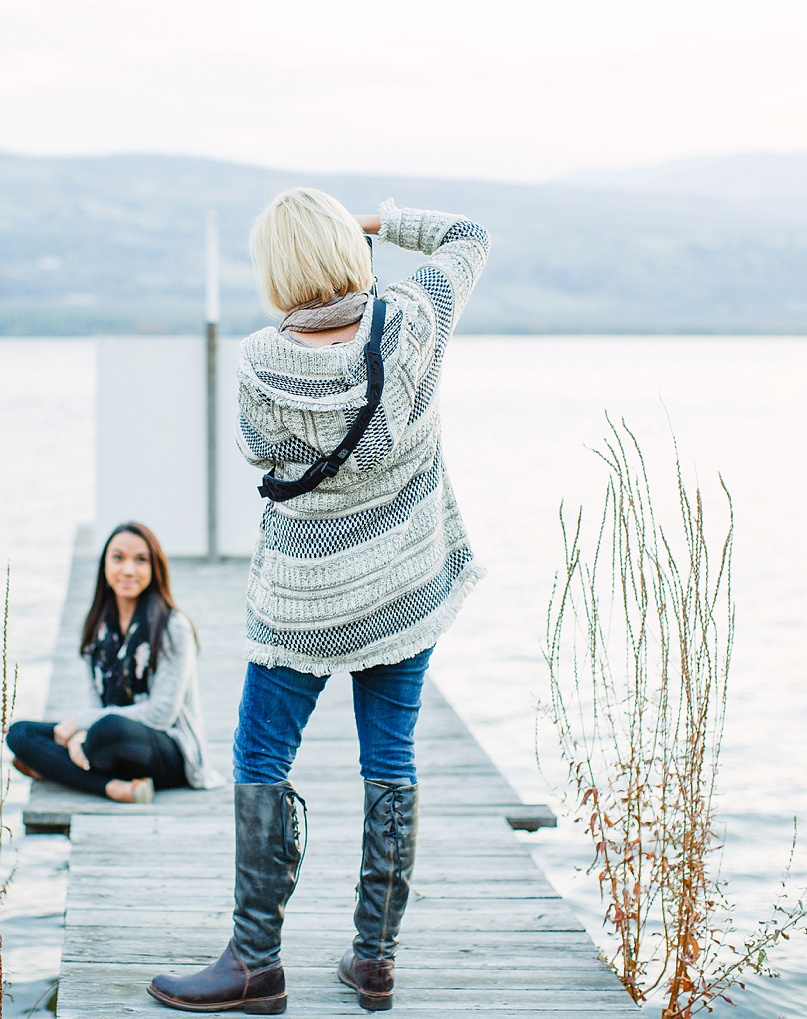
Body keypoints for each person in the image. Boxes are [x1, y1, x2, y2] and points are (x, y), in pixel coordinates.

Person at [147, 189, 489, 1014]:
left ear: (276, 269)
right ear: (344, 245)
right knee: (391, 760)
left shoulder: (263, 359)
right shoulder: (413, 318)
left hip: (302, 602)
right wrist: (380, 224)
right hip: (403, 590)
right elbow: (468, 235)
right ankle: (375, 958)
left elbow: (261, 452)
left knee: (262, 757)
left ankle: (256, 962)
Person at [7, 522, 220, 804]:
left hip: (167, 751)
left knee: (107, 730)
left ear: (155, 568)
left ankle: (60, 768)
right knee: (19, 733)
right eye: (118, 558)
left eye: (140, 560)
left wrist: (80, 725)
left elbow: (161, 714)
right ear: (104, 566)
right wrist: (79, 735)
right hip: (107, 740)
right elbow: (97, 702)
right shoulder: (98, 625)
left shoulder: (173, 627)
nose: (128, 570)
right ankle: (111, 786)